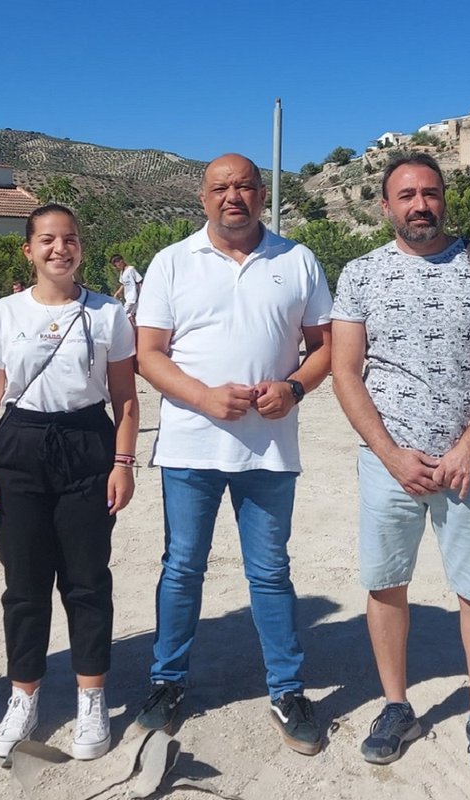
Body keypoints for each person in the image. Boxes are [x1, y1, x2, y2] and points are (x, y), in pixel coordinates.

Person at [329, 153, 470, 785]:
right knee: (386, 585)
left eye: (431, 193)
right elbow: (344, 371)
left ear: (444, 199)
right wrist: (390, 455)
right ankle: (396, 706)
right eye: (407, 195)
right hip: (389, 466)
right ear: (385, 206)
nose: (421, 204)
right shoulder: (360, 274)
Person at [131, 153, 333, 755]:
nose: (233, 197)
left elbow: (325, 347)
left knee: (270, 573)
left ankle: (287, 689)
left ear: (262, 194)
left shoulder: (297, 260)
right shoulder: (171, 263)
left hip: (269, 451)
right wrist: (204, 397)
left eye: (244, 186)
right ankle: (167, 684)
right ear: (203, 198)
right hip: (191, 447)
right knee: (182, 567)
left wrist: (294, 387)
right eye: (220, 188)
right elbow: (149, 354)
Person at [0, 204, 140, 761]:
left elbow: (126, 399)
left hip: (87, 442)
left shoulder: (109, 314)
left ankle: (92, 694)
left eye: (69, 239)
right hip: (20, 445)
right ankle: (25, 696)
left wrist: (122, 463)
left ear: (81, 248)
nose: (59, 249)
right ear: (29, 250)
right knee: (24, 582)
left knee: (88, 578)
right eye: (47, 240)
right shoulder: (3, 313)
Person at [110, 254, 143, 320]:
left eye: (116, 265)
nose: (116, 267)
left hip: (134, 298)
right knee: (130, 316)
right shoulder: (122, 272)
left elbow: (140, 281)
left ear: (121, 261)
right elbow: (123, 284)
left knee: (123, 315)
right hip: (128, 298)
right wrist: (117, 293)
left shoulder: (131, 269)